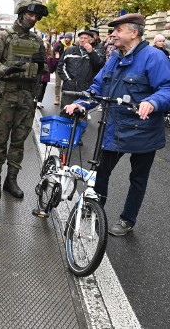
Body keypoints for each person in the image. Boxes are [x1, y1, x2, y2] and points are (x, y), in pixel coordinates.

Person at [64, 13, 170, 236]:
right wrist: (82, 103)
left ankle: (127, 220)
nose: (112, 34)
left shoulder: (154, 57)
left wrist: (152, 101)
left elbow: (167, 89)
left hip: (144, 131)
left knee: (137, 179)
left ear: (134, 33)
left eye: (118, 30)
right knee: (101, 172)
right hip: (114, 128)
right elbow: (98, 87)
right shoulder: (114, 57)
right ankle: (95, 209)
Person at [0, 0, 48, 199]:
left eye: (36, 16)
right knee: (0, 141)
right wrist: (5, 69)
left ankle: (11, 180)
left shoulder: (37, 41)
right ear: (21, 14)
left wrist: (41, 64)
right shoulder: (5, 37)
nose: (33, 18)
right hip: (6, 95)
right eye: (30, 14)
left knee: (19, 142)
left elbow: (43, 71)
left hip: (27, 97)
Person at [57, 30, 105, 108]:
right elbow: (61, 66)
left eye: (85, 38)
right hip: (69, 89)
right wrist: (68, 80)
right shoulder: (70, 50)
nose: (82, 40)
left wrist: (91, 53)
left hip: (85, 89)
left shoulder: (96, 52)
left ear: (91, 40)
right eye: (81, 38)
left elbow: (99, 67)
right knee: (66, 112)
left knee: (80, 114)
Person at [52, 32, 73, 105]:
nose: (67, 39)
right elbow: (54, 52)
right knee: (58, 83)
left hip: (68, 67)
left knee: (67, 83)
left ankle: (65, 98)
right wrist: (56, 55)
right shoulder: (59, 45)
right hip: (59, 66)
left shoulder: (73, 46)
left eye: (69, 38)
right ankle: (57, 98)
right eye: (66, 38)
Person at [36, 40, 54, 109]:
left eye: (46, 46)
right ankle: (36, 100)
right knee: (37, 87)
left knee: (43, 89)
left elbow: (52, 66)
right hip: (40, 74)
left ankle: (40, 101)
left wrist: (57, 59)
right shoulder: (39, 53)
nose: (45, 47)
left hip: (46, 75)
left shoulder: (50, 55)